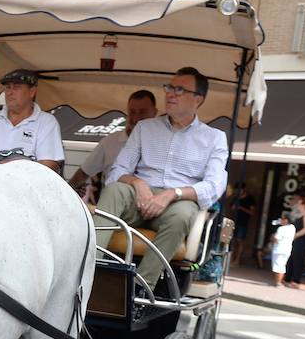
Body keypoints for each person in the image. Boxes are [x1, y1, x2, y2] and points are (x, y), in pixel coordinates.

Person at [96, 67, 228, 289]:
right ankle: (89, 270)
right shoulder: (145, 127)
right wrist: (138, 183)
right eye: (169, 87)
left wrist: (172, 194)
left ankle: (142, 286)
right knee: (114, 190)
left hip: (177, 202)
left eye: (179, 89)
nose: (170, 93)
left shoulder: (214, 138)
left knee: (184, 214)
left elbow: (213, 186)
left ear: (198, 99)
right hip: (138, 197)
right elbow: (117, 171)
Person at [0, 69, 64, 171]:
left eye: (16, 87)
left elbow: (47, 166)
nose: (9, 92)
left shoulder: (47, 122)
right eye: (8, 87)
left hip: (27, 183)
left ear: (32, 92)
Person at [68, 90, 158, 197]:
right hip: (114, 207)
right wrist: (67, 193)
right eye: (132, 112)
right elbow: (83, 173)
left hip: (149, 207)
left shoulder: (163, 143)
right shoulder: (110, 141)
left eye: (142, 112)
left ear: (154, 113)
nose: (136, 118)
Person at [284, 195, 305, 288]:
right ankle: (288, 278)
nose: (297, 205)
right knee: (291, 259)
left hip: (301, 240)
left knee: (298, 259)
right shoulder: (300, 214)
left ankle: (296, 280)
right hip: (296, 239)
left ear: (302, 204)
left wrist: (294, 236)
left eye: (299, 203)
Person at [230, 182, 258, 265]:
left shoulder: (250, 198)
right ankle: (231, 259)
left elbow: (252, 212)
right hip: (234, 221)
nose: (238, 191)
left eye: (240, 190)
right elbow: (231, 207)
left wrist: (241, 208)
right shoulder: (236, 197)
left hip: (243, 222)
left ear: (244, 189)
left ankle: (237, 260)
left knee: (240, 241)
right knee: (233, 240)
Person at [270, 217, 296, 287]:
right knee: (282, 265)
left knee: (278, 266)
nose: (280, 221)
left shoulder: (281, 229)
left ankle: (278, 282)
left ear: (286, 220)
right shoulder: (292, 228)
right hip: (287, 249)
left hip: (279, 249)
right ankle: (279, 281)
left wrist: (273, 236)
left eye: (282, 220)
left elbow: (276, 239)